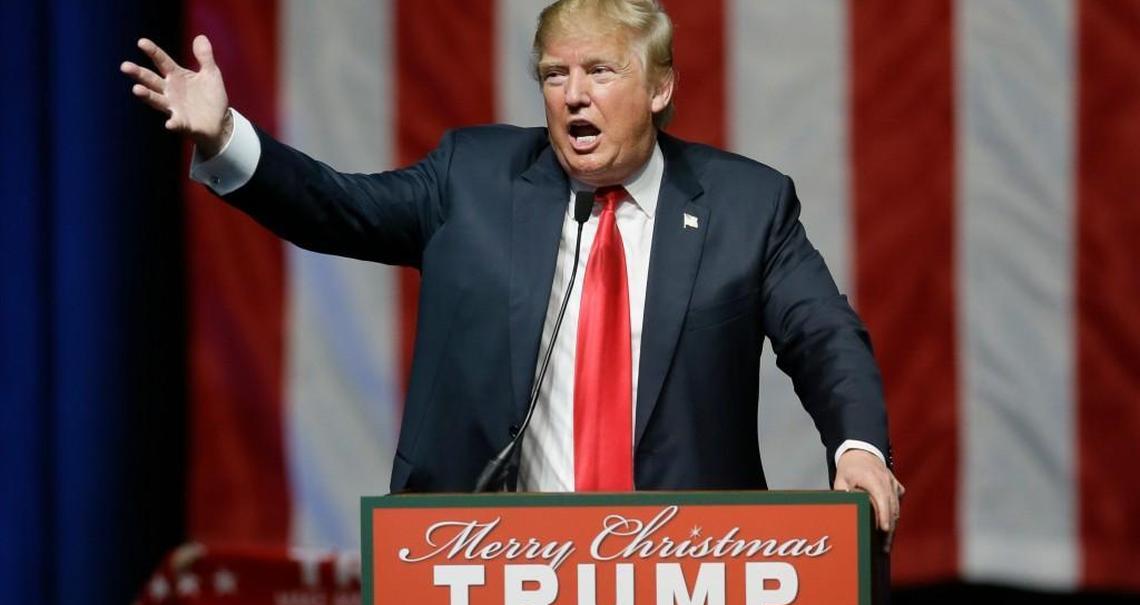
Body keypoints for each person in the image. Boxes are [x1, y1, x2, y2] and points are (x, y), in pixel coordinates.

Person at [122, 0, 904, 541]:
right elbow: (336, 206)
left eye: (600, 71)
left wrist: (858, 448)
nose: (573, 96)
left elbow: (823, 334)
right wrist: (226, 136)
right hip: (497, 567)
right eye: (555, 75)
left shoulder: (747, 205)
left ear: (660, 86)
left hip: (685, 573)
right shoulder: (473, 179)